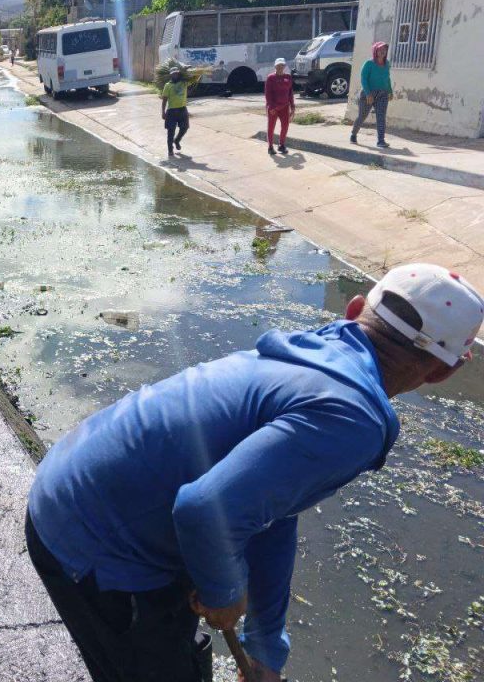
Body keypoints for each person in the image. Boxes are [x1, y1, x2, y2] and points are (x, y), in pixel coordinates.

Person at [27, 263, 484, 682]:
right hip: (92, 538)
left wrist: (265, 650)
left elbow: (271, 513)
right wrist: (224, 592)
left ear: (356, 309)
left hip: (72, 482)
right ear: (443, 373)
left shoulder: (316, 353)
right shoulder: (354, 418)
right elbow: (205, 509)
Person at [350, 42, 393, 148]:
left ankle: (381, 141)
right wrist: (368, 94)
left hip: (383, 94)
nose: (382, 51)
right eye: (380, 49)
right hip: (368, 93)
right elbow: (363, 79)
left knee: (381, 117)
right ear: (375, 51)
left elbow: (387, 79)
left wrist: (390, 91)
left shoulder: (387, 63)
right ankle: (353, 134)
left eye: (384, 49)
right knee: (362, 116)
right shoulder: (369, 64)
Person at [265, 58, 295, 156]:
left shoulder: (288, 77)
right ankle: (270, 147)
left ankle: (281, 145)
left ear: (284, 66)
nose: (280, 67)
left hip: (285, 107)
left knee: (285, 126)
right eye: (278, 66)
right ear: (275, 66)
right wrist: (271, 107)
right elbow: (268, 94)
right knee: (271, 127)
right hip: (273, 108)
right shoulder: (271, 78)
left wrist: (293, 107)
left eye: (282, 65)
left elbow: (290, 93)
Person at [161, 68, 189, 158]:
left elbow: (193, 76)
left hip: (182, 109)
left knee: (185, 128)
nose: (175, 75)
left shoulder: (184, 83)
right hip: (172, 111)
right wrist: (163, 111)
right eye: (173, 74)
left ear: (179, 74)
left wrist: (186, 71)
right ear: (171, 75)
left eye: (177, 74)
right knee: (171, 132)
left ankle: (177, 140)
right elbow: (164, 100)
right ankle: (170, 150)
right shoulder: (168, 85)